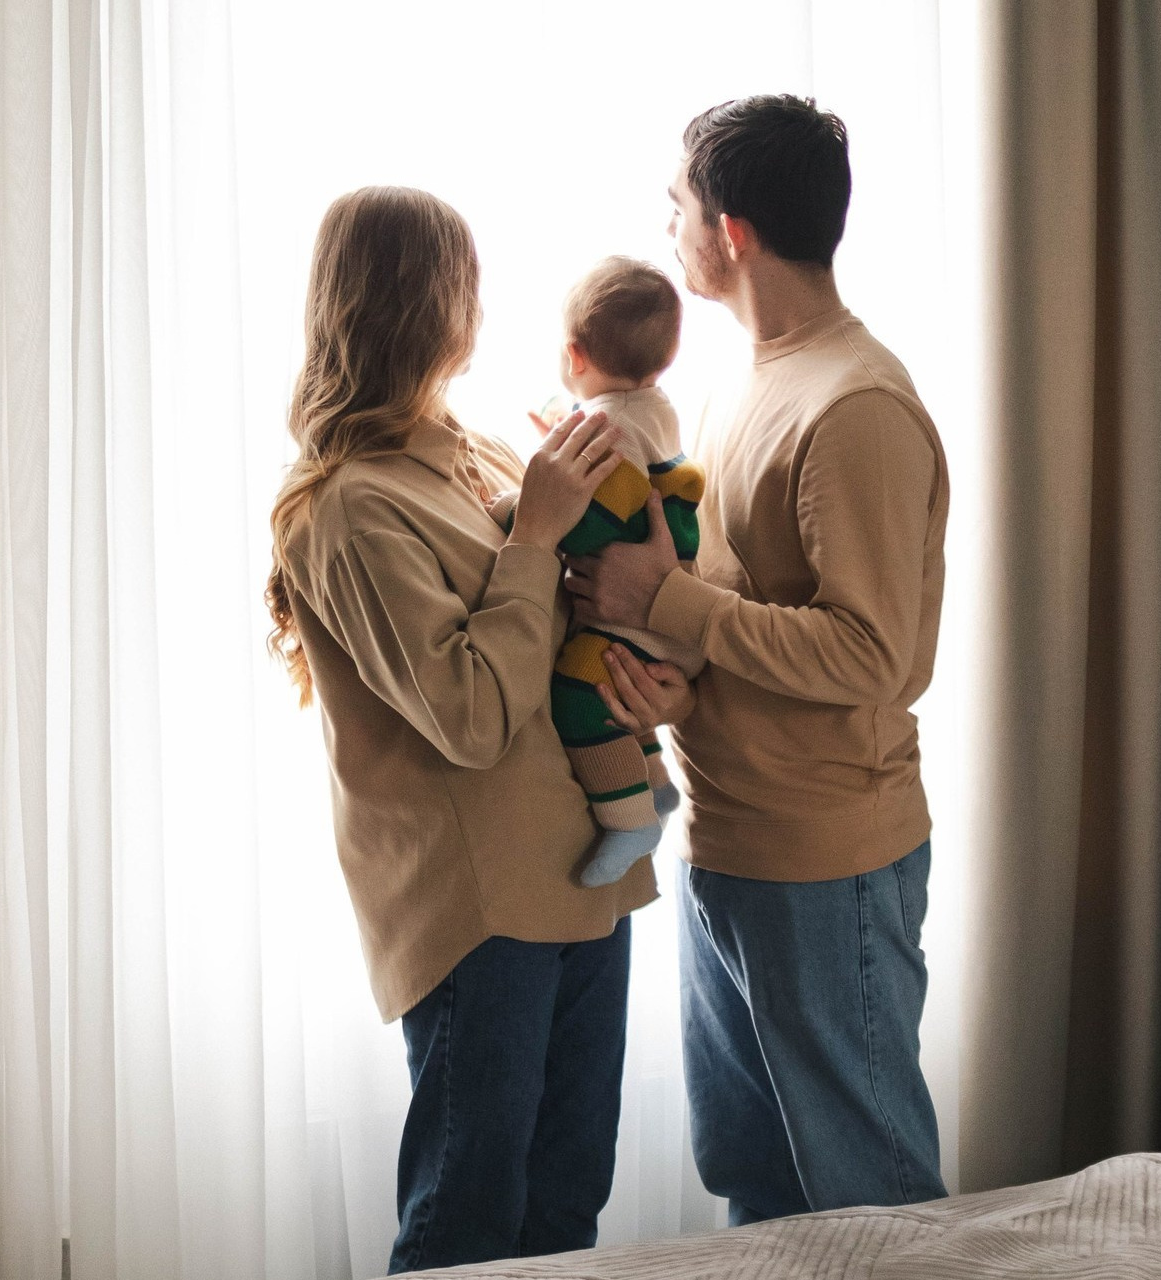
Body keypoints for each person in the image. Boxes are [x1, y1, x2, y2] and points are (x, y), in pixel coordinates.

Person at [565, 95, 951, 1222]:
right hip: (726, 840)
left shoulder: (853, 405)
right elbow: (745, 609)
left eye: (676, 203)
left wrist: (668, 600)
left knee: (870, 1196)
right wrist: (679, 666)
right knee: (757, 1193)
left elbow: (869, 653)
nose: (667, 225)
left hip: (823, 858)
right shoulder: (749, 378)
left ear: (728, 232)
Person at [265, 187, 663, 1272]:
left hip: (580, 877)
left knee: (566, 1203)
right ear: (425, 301)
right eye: (466, 281)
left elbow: (564, 631)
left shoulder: (475, 450)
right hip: (480, 906)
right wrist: (533, 534)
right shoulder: (345, 507)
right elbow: (474, 714)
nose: (481, 305)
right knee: (466, 1218)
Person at [488, 257, 705, 887]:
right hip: (676, 613)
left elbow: (579, 519)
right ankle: (656, 785)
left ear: (573, 354)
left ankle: (630, 821)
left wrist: (516, 510)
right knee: (618, 697)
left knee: (582, 695)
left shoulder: (606, 429)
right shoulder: (654, 408)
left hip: (639, 618)